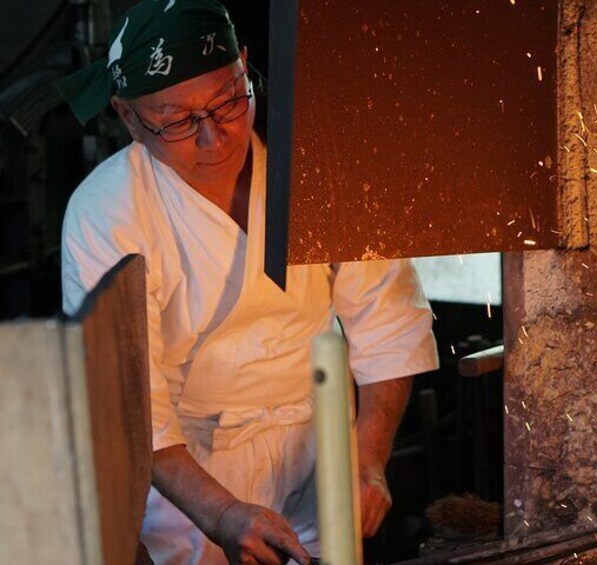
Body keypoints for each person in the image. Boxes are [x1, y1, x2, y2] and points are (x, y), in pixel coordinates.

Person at [57, 1, 439, 563]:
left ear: (245, 64)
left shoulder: (321, 161)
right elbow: (133, 400)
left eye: (228, 102)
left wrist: (364, 462)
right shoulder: (107, 212)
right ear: (128, 117)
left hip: (321, 446)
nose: (214, 139)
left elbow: (389, 326)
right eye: (178, 121)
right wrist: (221, 513)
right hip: (188, 474)